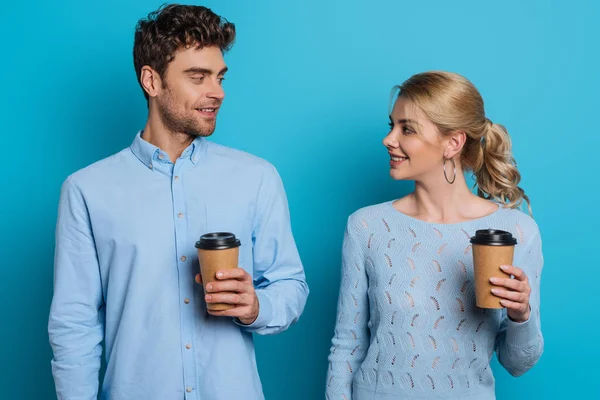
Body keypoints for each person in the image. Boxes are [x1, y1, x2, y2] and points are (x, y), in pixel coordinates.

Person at [48, 4, 308, 399]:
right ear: (151, 81)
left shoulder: (256, 177)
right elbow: (74, 326)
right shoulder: (87, 190)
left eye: (219, 77)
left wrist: (255, 306)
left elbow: (291, 285)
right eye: (198, 77)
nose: (217, 92)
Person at [326, 71, 543, 399]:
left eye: (407, 129)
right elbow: (347, 347)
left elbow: (518, 363)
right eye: (392, 126)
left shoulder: (516, 232)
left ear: (453, 143)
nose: (389, 139)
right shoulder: (366, 227)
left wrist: (521, 314)